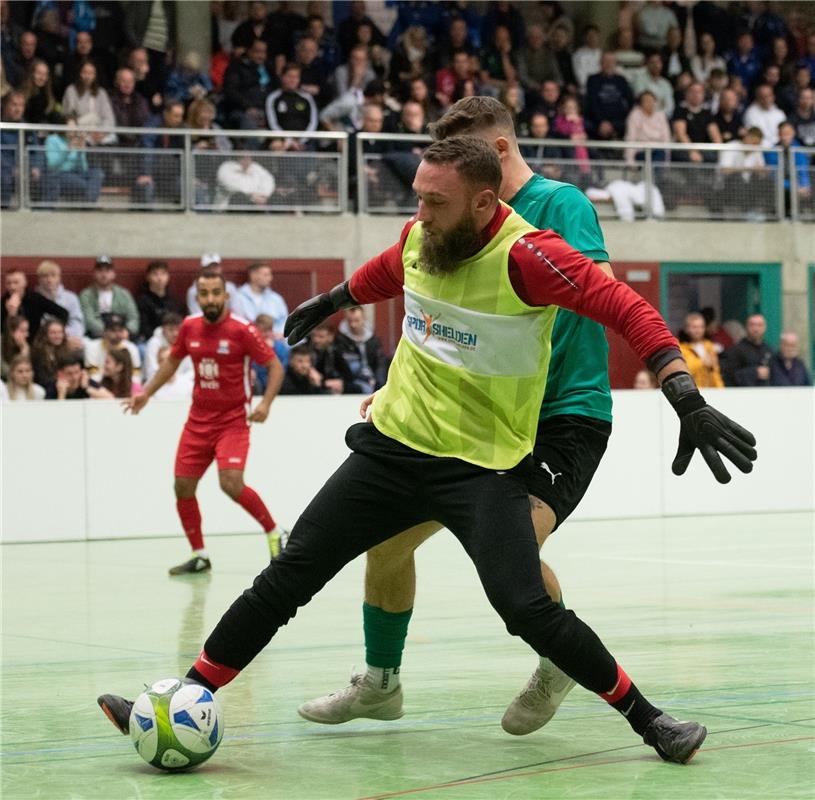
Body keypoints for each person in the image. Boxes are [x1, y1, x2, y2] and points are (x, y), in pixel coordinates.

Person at [98, 136, 757, 764]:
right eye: (416, 196)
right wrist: (331, 300)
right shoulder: (422, 236)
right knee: (290, 572)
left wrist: (684, 396)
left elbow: (628, 310)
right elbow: (388, 269)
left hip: (480, 468)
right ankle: (185, 699)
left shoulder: (528, 255)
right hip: (388, 452)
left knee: (524, 606)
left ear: (481, 203)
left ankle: (651, 721)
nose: (418, 213)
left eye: (433, 201)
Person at [120, 268, 287, 574]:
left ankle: (275, 532)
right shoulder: (189, 326)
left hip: (233, 421)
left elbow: (275, 367)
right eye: (204, 294)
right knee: (182, 486)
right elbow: (172, 361)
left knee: (230, 483)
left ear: (225, 296)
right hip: (197, 422)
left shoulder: (243, 330)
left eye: (215, 293)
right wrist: (146, 393)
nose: (210, 299)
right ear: (197, 298)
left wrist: (265, 404)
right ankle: (200, 555)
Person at [42, 117, 105, 204]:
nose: (73, 130)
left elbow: (83, 168)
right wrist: (68, 149)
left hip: (76, 173)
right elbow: (52, 164)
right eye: (70, 127)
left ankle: (88, 203)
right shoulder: (52, 139)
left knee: (98, 173)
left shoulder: (77, 140)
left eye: (74, 128)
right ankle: (88, 203)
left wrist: (80, 152)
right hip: (60, 174)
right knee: (85, 185)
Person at [79, 255, 139, 339]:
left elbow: (134, 318)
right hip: (96, 337)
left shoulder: (124, 294)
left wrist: (126, 331)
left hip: (122, 337)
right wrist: (108, 332)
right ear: (94, 273)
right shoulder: (86, 295)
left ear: (113, 274)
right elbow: (88, 319)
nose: (104, 274)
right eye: (100, 271)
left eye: (107, 271)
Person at [2, 268, 69, 341]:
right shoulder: (3, 301)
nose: (12, 287)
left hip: (35, 343)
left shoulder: (35, 298)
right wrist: (11, 315)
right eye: (8, 283)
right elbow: (3, 332)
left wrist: (49, 331)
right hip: (11, 344)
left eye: (16, 282)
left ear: (24, 283)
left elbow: (63, 313)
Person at [335, 305, 388, 393]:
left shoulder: (373, 340)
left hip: (374, 381)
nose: (353, 325)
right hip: (354, 383)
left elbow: (380, 363)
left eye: (357, 320)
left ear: (363, 319)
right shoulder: (341, 341)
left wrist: (379, 382)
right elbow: (348, 368)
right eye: (350, 321)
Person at [35, 260, 85, 345]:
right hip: (43, 341)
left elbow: (77, 322)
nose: (49, 280)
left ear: (59, 278)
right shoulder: (34, 299)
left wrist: (64, 336)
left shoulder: (71, 298)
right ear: (39, 279)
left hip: (68, 338)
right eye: (45, 276)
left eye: (53, 276)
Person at [135, 260, 186, 343]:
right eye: (155, 274)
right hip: (151, 340)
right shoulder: (142, 301)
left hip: (174, 338)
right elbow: (143, 327)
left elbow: (182, 322)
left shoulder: (175, 302)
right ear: (148, 277)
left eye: (163, 274)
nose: (159, 278)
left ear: (168, 277)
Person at [83, 313, 142, 381]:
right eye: (113, 330)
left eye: (121, 330)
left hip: (125, 387)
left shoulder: (131, 348)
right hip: (100, 387)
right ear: (104, 331)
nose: (118, 335)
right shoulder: (92, 347)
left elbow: (136, 377)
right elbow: (93, 377)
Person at [233, 262, 288, 332]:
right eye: (265, 275)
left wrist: (277, 334)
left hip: (276, 339)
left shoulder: (276, 298)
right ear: (253, 275)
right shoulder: (238, 298)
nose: (270, 278)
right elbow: (237, 323)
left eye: (270, 275)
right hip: (248, 337)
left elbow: (285, 322)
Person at [722, 313, 773, 387]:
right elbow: (729, 377)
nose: (756, 329)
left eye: (759, 325)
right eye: (752, 325)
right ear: (746, 327)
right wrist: (754, 373)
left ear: (765, 327)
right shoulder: (735, 351)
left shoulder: (769, 350)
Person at [143, 311, 192, 383]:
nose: (175, 333)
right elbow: (150, 370)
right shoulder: (153, 343)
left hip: (181, 384)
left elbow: (191, 372)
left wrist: (177, 379)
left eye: (178, 329)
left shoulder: (186, 343)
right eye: (171, 330)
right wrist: (165, 377)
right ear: (163, 330)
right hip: (156, 384)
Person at [678, 312, 724, 388]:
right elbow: (685, 371)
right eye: (694, 327)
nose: (698, 330)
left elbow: (716, 373)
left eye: (701, 327)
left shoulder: (709, 346)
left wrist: (721, 389)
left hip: (710, 391)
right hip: (691, 391)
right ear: (686, 329)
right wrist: (702, 363)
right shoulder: (680, 348)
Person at [308, 322, 355, 394]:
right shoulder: (305, 351)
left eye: (321, 337)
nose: (316, 340)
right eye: (314, 336)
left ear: (330, 337)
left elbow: (348, 376)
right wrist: (325, 383)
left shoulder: (335, 352)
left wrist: (340, 383)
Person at [31, 317, 73, 388]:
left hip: (63, 385)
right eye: (53, 333)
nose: (57, 336)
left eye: (60, 332)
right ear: (45, 334)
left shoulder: (66, 350)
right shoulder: (38, 353)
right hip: (46, 388)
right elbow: (42, 379)